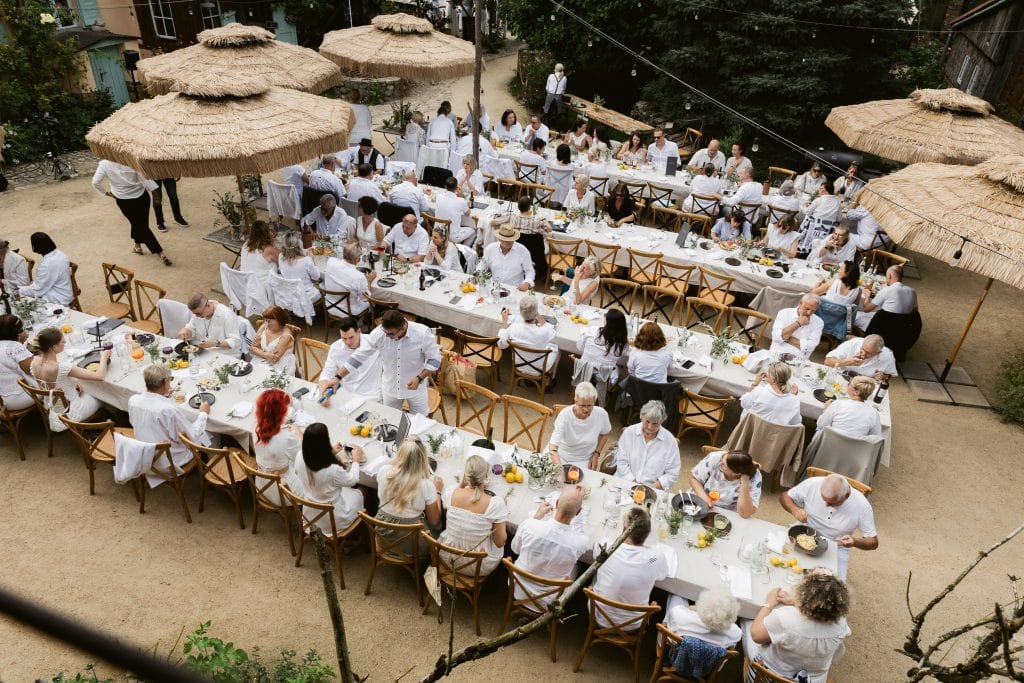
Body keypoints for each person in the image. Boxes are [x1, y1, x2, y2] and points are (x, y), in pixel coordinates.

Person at [744, 572, 851, 682]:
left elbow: (755, 636)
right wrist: (795, 601)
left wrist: (768, 604)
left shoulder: (785, 617)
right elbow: (821, 614)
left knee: (748, 620)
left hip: (767, 678)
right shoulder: (841, 623)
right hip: (814, 679)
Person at [333, 310, 440, 414]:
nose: (387, 336)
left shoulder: (422, 333)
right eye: (385, 332)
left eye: (391, 334)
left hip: (417, 389)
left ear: (403, 327)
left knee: (421, 420)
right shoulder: (380, 333)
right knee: (390, 419)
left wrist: (419, 378)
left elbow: (435, 359)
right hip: (390, 388)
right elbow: (358, 357)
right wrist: (338, 377)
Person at [780, 473, 878, 579]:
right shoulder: (813, 484)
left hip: (837, 545)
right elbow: (784, 496)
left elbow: (873, 542)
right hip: (803, 532)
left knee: (833, 587)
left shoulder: (862, 506)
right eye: (824, 499)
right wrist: (795, 510)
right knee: (781, 563)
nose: (826, 505)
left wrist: (855, 542)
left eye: (832, 503)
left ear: (847, 495)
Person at [591, 506, 675, 627]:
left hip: (599, 616)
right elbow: (662, 576)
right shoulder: (656, 557)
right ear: (648, 534)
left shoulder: (606, 545)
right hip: (633, 624)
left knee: (599, 573)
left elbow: (595, 549)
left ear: (625, 529)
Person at [510, 484, 588, 607]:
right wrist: (577, 505)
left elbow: (515, 549)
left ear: (556, 504)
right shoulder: (580, 543)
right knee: (578, 565)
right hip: (549, 600)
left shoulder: (530, 525)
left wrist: (537, 516)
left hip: (519, 589)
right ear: (578, 512)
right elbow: (577, 534)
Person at [128, 363, 210, 475]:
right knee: (209, 430)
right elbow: (192, 436)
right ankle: (213, 470)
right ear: (164, 383)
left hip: (146, 456)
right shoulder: (168, 410)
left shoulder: (133, 400)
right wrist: (203, 413)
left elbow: (134, 422)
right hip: (172, 461)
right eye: (170, 380)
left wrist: (163, 395)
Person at [439, 455, 509, 576]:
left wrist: (462, 484)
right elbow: (500, 542)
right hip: (478, 565)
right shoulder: (496, 503)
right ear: (486, 476)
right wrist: (502, 509)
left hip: (447, 557)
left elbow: (453, 502)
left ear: (465, 476)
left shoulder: (451, 493)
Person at [92, 159, 171, 265]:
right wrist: (155, 194)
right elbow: (145, 179)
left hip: (123, 200)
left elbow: (95, 182)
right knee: (139, 224)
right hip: (141, 197)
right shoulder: (131, 161)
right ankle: (137, 246)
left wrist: (106, 193)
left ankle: (160, 253)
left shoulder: (104, 164)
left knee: (139, 225)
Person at [290, 422, 364, 533]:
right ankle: (359, 535)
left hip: (310, 514)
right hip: (333, 519)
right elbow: (353, 480)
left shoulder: (300, 455)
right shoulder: (332, 469)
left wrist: (331, 453)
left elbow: (303, 469)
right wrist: (356, 460)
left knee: (341, 489)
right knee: (362, 491)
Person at [28, 326, 108, 427]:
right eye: (62, 341)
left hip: (52, 410)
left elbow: (50, 385)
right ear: (54, 347)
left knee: (86, 386)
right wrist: (104, 356)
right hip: (70, 414)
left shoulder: (34, 361)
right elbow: (100, 376)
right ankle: (102, 425)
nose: (65, 342)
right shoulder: (61, 367)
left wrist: (72, 384)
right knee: (103, 393)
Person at [375, 436, 444, 553]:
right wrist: (437, 492)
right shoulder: (426, 485)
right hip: (412, 545)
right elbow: (434, 521)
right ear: (423, 459)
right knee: (439, 525)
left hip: (384, 538)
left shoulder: (384, 471)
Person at [661, 592, 742, 668]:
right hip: (708, 667)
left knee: (676, 595)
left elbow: (668, 623)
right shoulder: (736, 633)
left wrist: (693, 609)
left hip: (678, 656)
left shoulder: (679, 615)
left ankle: (663, 653)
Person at [613, 401, 681, 490]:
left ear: (661, 422)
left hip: (654, 489)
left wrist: (650, 488)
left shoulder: (670, 442)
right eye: (647, 421)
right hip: (625, 482)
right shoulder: (629, 433)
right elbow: (621, 461)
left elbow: (673, 473)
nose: (650, 427)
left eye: (655, 423)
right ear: (642, 417)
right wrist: (634, 484)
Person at [547, 382, 611, 469]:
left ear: (594, 401)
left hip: (583, 460)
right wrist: (559, 467)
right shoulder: (565, 415)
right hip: (560, 455)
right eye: (582, 405)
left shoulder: (601, 414)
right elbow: (553, 447)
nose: (586, 409)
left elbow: (605, 433)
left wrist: (596, 454)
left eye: (590, 405)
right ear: (576, 401)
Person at [253, 388, 301, 504]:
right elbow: (301, 460)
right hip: (285, 490)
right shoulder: (287, 437)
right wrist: (298, 433)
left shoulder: (255, 427)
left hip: (261, 485)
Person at [318, 316, 383, 403]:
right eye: (344, 338)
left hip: (372, 396)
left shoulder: (373, 343)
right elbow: (327, 372)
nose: (348, 342)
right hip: (347, 395)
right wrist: (324, 393)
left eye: (351, 337)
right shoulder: (335, 348)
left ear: (359, 331)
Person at [490, 196, 552, 282]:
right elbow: (549, 229)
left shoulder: (512, 217)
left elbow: (493, 222)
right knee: (547, 241)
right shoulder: (537, 221)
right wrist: (544, 219)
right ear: (530, 207)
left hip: (516, 250)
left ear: (518, 207)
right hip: (535, 253)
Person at [689, 449, 761, 517]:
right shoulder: (716, 458)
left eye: (724, 465)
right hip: (698, 500)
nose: (719, 464)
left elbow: (745, 513)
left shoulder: (755, 477)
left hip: (726, 514)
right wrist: (705, 499)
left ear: (737, 473)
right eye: (722, 460)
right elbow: (694, 478)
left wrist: (744, 482)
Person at [498, 296, 559, 375]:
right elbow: (552, 331)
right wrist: (538, 316)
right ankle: (548, 382)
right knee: (556, 347)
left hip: (519, 365)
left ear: (520, 312)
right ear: (536, 311)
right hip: (539, 369)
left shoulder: (513, 327)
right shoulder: (544, 331)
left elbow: (501, 345)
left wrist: (504, 322)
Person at [575, 308, 629, 392]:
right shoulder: (622, 342)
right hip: (604, 377)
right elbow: (626, 355)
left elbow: (579, 347)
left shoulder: (592, 330)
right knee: (620, 366)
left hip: (584, 370)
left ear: (607, 322)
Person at [180, 293, 242, 358]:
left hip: (225, 354)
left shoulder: (227, 315)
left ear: (208, 305)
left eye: (199, 313)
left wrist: (214, 343)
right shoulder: (198, 312)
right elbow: (192, 327)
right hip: (204, 352)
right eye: (194, 314)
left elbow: (236, 341)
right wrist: (187, 331)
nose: (196, 316)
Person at [17, 233, 72, 306]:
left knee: (22, 303)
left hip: (58, 298)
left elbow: (38, 290)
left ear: (35, 247)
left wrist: (19, 291)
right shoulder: (60, 253)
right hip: (65, 291)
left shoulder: (47, 265)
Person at [816, 375, 881, 437]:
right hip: (855, 448)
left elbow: (820, 425)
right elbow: (874, 437)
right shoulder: (874, 413)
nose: (847, 385)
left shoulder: (838, 404)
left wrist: (826, 409)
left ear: (856, 392)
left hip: (827, 444)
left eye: (850, 384)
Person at [856, 265, 917, 330]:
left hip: (882, 328)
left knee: (856, 314)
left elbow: (866, 309)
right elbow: (915, 312)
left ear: (890, 275)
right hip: (902, 328)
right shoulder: (912, 291)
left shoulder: (886, 290)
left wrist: (867, 296)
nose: (886, 278)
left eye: (886, 275)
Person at [740, 362, 802, 426]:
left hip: (751, 429)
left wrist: (755, 383)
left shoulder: (759, 391)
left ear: (773, 380)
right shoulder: (795, 400)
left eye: (769, 373)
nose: (767, 374)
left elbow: (744, 404)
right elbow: (795, 422)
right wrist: (792, 396)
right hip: (774, 434)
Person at [323, 242, 375, 317]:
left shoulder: (330, 261)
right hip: (348, 311)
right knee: (371, 300)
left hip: (329, 305)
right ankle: (365, 321)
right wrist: (369, 281)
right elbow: (365, 298)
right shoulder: (358, 276)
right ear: (357, 259)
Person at [482, 224, 535, 291]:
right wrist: (480, 276)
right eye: (505, 240)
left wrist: (527, 282)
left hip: (515, 288)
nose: (509, 242)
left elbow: (529, 271)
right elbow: (482, 265)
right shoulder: (490, 249)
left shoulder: (523, 250)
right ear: (499, 238)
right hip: (495, 287)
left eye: (511, 239)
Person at [771, 294, 823, 359]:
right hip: (777, 353)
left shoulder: (819, 322)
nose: (809, 313)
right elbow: (776, 338)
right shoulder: (784, 313)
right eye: (807, 309)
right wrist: (798, 323)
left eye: (813, 311)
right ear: (800, 303)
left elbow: (811, 346)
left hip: (799, 358)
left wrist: (788, 338)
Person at [825, 334, 897, 381]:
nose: (864, 354)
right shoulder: (853, 343)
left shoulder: (888, 355)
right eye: (863, 349)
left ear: (878, 353)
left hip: (864, 386)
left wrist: (883, 376)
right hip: (841, 378)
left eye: (869, 353)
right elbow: (827, 361)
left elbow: (889, 375)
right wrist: (847, 362)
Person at [249, 306, 296, 376]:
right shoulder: (264, 327)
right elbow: (252, 349)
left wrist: (259, 352)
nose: (266, 324)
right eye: (265, 320)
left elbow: (274, 359)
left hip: (280, 366)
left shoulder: (286, 336)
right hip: (261, 361)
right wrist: (266, 354)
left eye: (269, 321)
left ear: (280, 320)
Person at [278, 231, 322, 305]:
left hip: (290, 294)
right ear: (299, 244)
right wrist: (312, 260)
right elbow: (316, 277)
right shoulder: (306, 260)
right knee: (324, 284)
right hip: (308, 295)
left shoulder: (280, 256)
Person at [0, 314, 33, 411]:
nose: (26, 334)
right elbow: (34, 370)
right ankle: (60, 418)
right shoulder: (14, 347)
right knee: (58, 377)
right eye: (22, 330)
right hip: (19, 399)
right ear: (15, 333)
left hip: (2, 399)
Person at [434, 177, 474, 246]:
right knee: (473, 231)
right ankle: (463, 252)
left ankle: (457, 249)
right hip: (451, 235)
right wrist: (461, 196)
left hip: (437, 231)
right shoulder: (461, 201)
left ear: (445, 186)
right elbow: (468, 213)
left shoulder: (438, 196)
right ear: (456, 188)